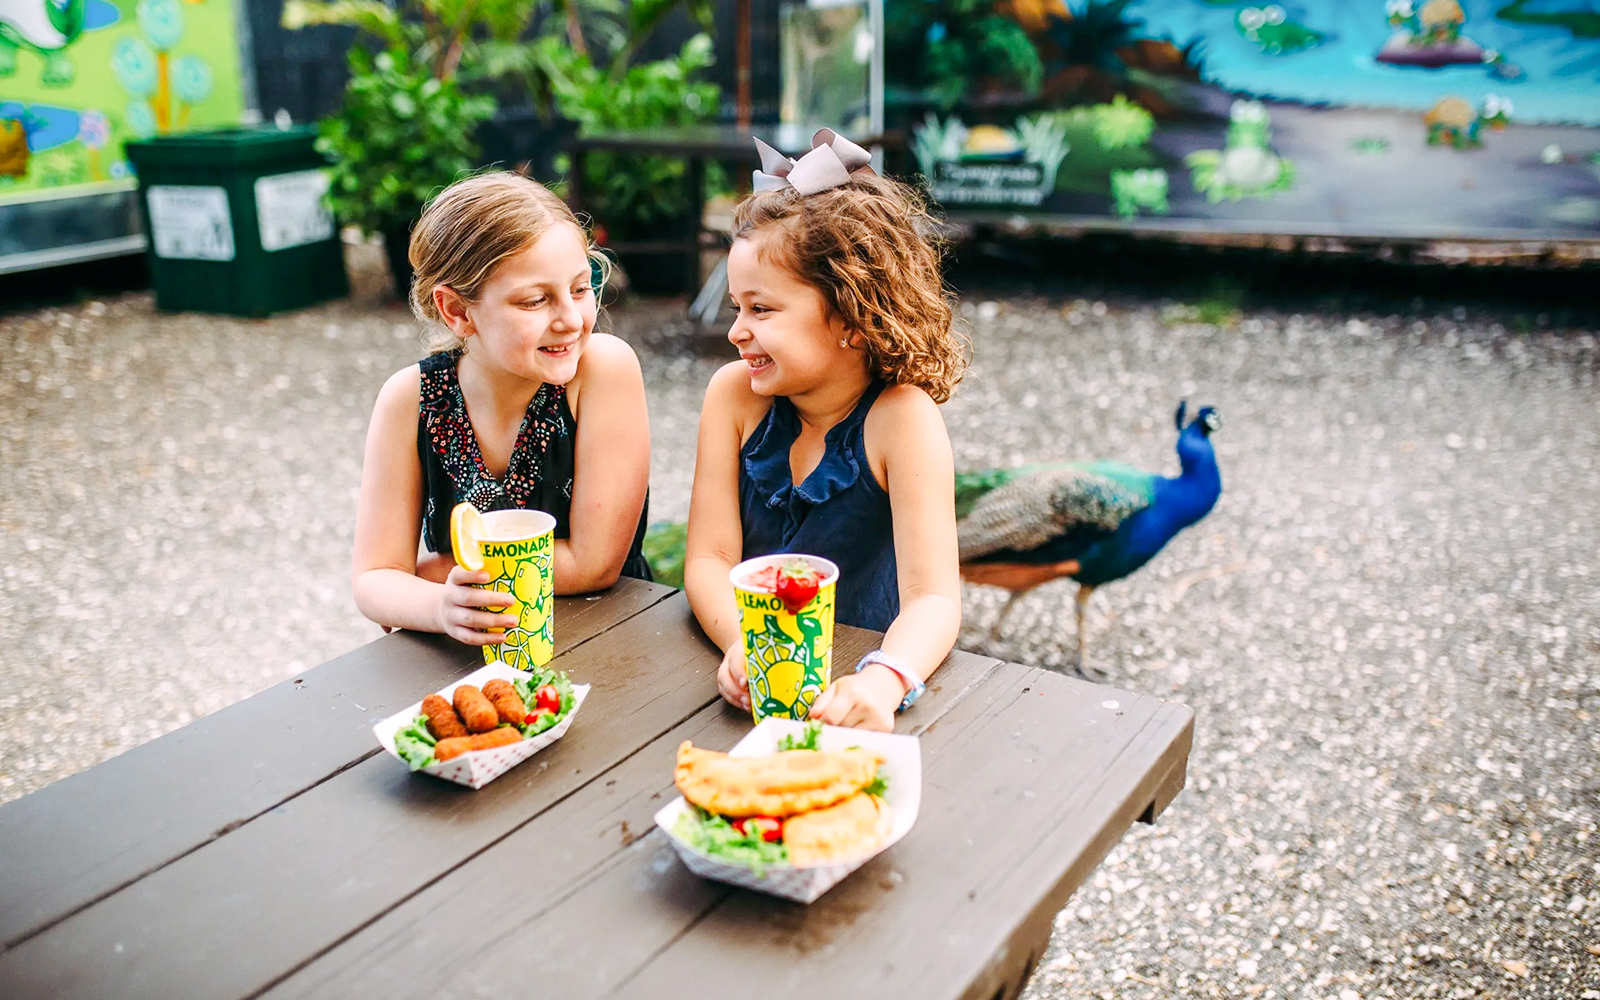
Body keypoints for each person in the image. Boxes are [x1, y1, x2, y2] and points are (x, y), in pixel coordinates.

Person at [683, 131, 967, 732]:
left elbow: (934, 598)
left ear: (852, 317)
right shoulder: (733, 396)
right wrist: (748, 648)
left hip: (858, 695)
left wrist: (885, 678)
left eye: (761, 310)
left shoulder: (903, 419)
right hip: (751, 689)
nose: (736, 331)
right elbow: (709, 558)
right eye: (736, 307)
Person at [352, 171, 651, 647]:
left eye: (580, 287)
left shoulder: (602, 372)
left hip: (607, 639)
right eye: (535, 300)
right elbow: (373, 578)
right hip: (471, 649)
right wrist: (438, 606)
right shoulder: (408, 400)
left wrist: (434, 570)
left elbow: (594, 564)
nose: (572, 320)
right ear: (457, 311)